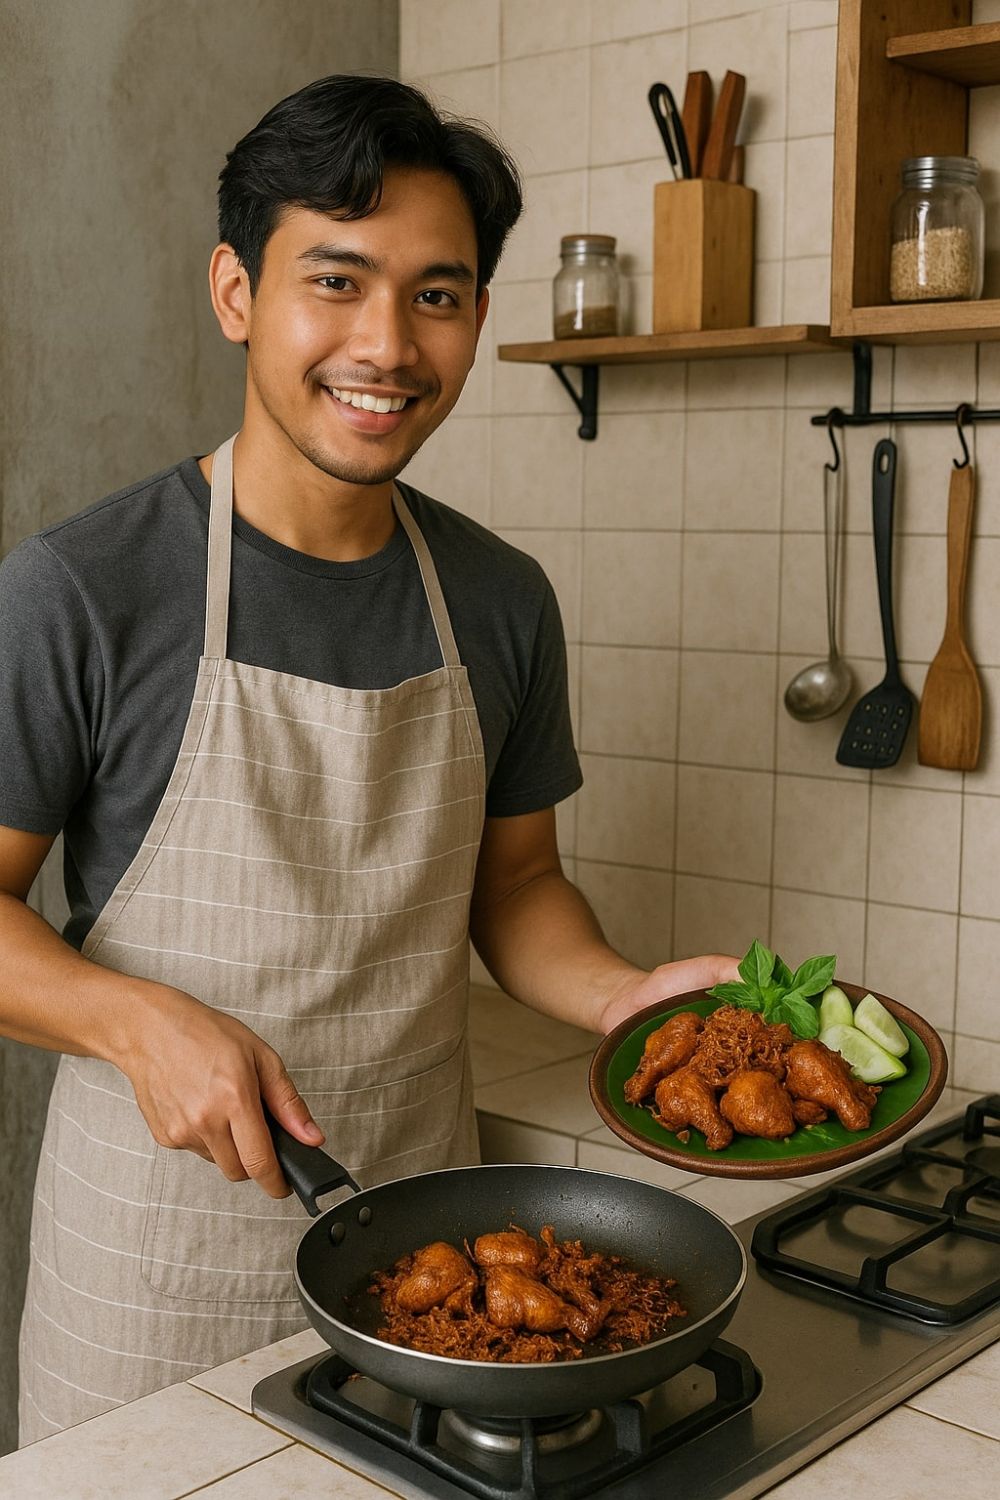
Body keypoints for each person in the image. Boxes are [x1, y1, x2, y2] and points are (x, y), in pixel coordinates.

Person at [0, 74, 736, 1443]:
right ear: (236, 292)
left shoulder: (502, 599)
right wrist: (134, 1020)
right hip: (150, 1271)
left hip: (428, 1278)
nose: (387, 344)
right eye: (335, 282)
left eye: (437, 296)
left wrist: (625, 996)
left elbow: (516, 892)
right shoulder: (83, 589)